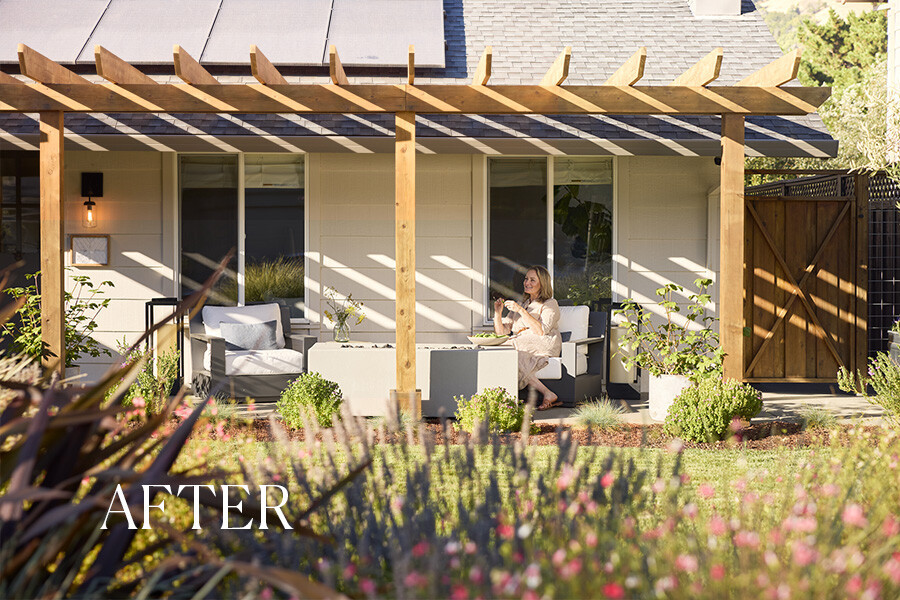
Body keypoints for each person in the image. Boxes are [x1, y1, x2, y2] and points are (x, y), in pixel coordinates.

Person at [493, 265, 562, 410]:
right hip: (523, 342)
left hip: (544, 341)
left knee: (506, 349)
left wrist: (520, 310)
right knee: (509, 355)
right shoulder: (523, 303)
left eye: (532, 280)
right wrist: (497, 313)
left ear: (542, 283)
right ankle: (547, 393)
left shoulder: (550, 304)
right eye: (526, 279)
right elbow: (502, 333)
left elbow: (541, 331)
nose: (527, 283)